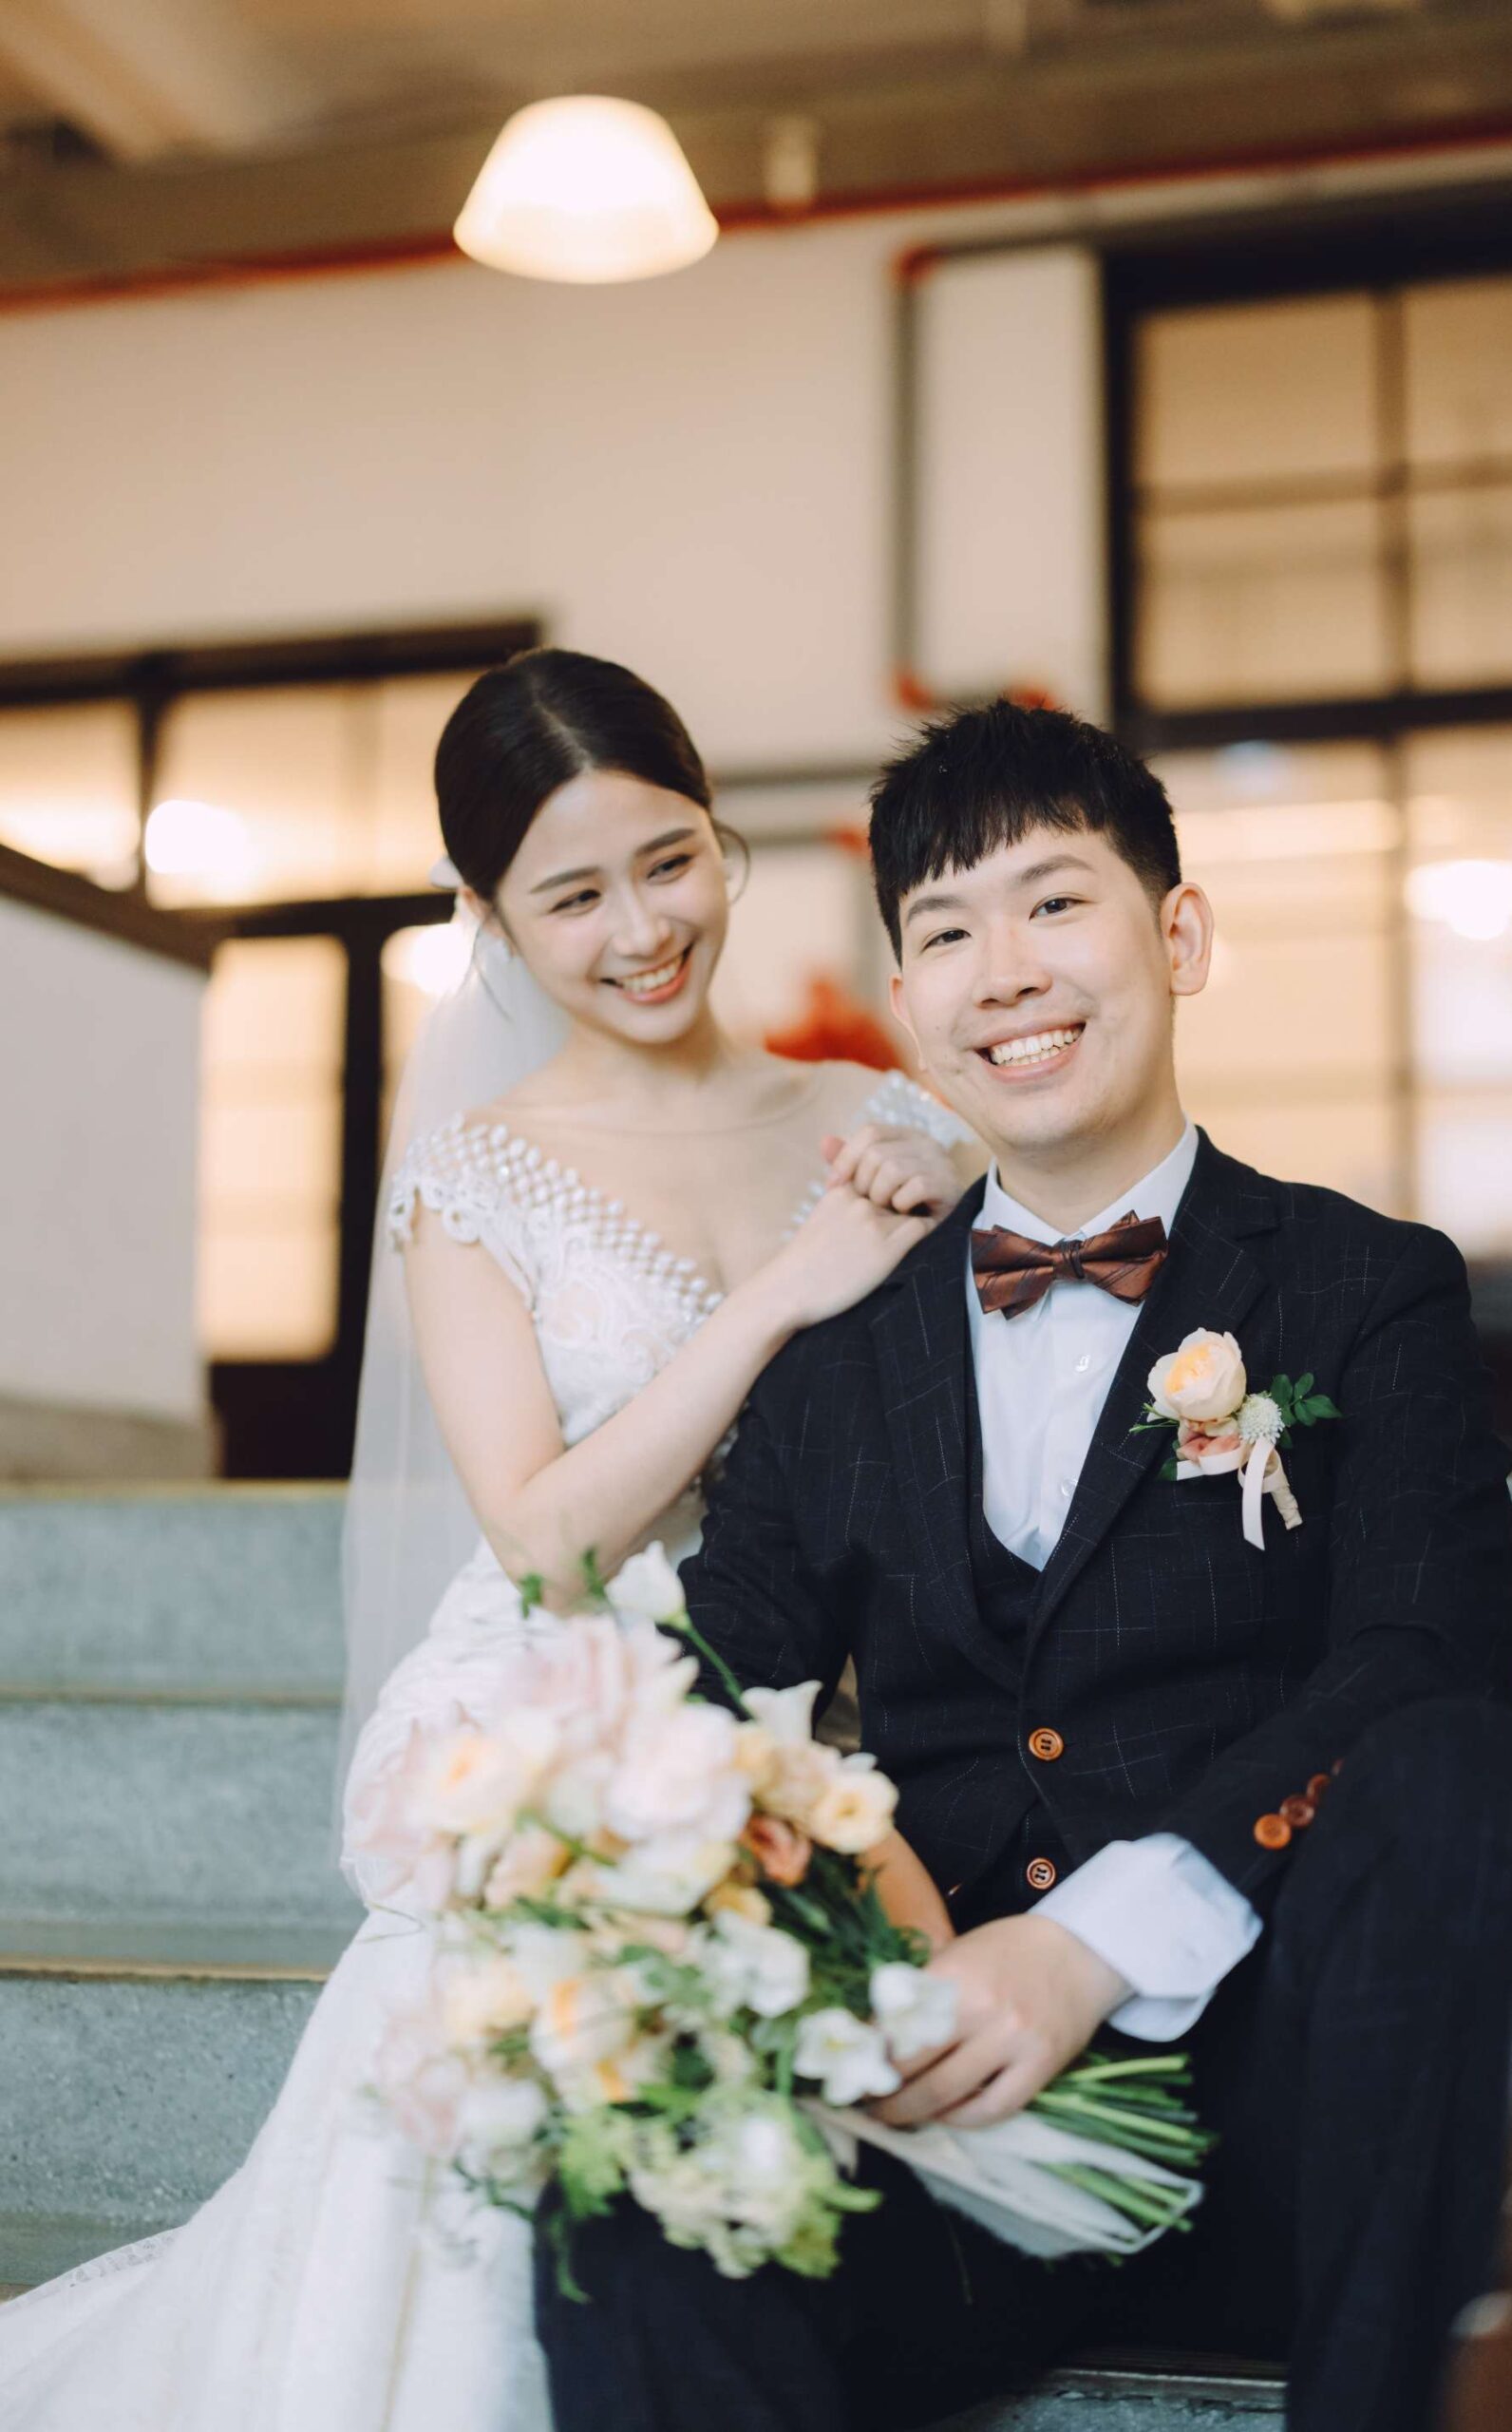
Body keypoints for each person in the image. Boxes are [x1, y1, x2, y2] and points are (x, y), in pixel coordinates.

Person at [534, 699, 1512, 2432]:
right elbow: (717, 1680)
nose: (1003, 972)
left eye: (1056, 904)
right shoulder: (838, 1355)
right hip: (949, 2126)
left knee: (1466, 1771)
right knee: (631, 2156)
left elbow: (1423, 1654)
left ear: (1179, 936)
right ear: (906, 1002)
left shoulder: (1365, 1284)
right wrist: (869, 1925)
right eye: (945, 933)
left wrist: (1089, 1946)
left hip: (1294, 2097)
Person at [0, 648, 975, 2432]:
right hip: (567, 1691)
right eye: (572, 895)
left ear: (721, 840)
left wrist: (933, 1240)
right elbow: (542, 1540)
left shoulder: (886, 1126)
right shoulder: (474, 1175)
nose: (643, 930)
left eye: (670, 861)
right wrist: (785, 1292)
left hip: (830, 1680)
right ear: (493, 920)